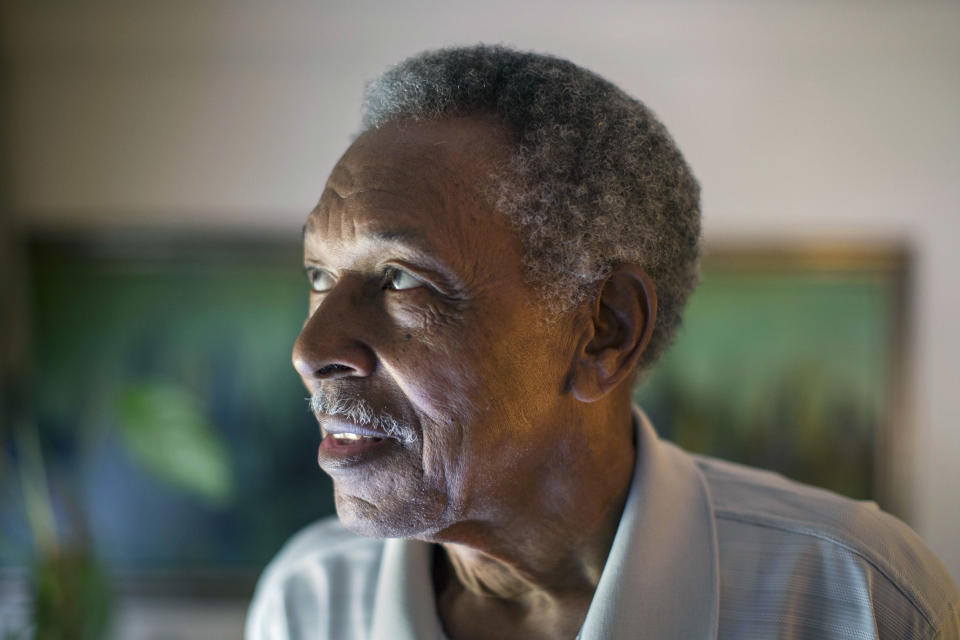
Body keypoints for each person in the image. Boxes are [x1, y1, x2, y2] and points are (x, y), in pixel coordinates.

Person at [246, 45, 959, 640]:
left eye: (400, 278)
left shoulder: (856, 598)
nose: (311, 350)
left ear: (604, 331)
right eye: (319, 274)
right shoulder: (308, 603)